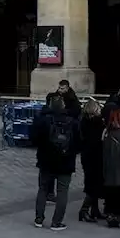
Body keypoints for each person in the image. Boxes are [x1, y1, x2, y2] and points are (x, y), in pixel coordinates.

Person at [30, 93, 81, 230]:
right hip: (66, 161)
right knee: (62, 191)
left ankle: (39, 218)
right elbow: (79, 142)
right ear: (63, 105)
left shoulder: (42, 120)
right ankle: (56, 222)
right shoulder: (73, 122)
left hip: (46, 160)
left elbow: (33, 138)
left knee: (43, 189)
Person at [78, 98, 106, 223]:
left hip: (87, 154)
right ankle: (84, 210)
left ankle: (95, 210)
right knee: (94, 184)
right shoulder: (98, 122)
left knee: (91, 182)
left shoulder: (84, 121)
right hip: (95, 155)